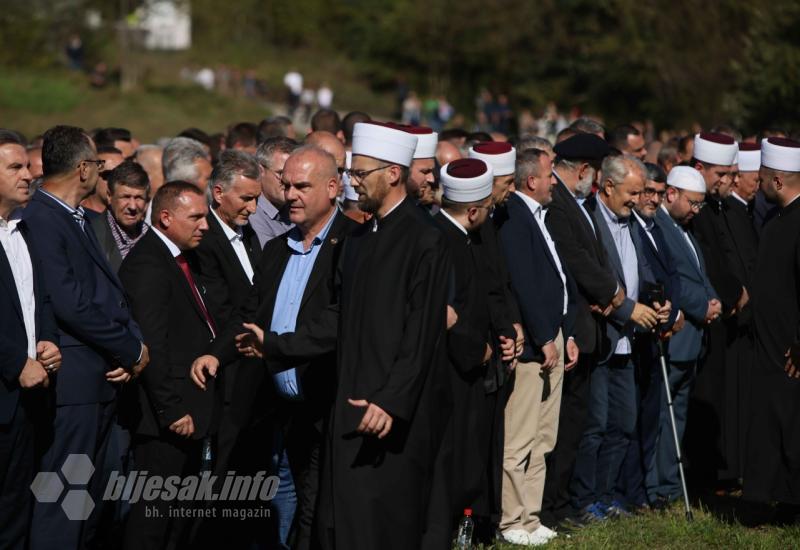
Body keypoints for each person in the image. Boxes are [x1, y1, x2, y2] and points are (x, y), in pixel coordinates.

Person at [212, 122, 452, 549]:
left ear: (393, 174)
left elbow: (421, 334)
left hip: (391, 409)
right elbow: (339, 318)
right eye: (352, 175)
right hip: (351, 401)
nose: (353, 184)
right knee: (340, 521)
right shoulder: (360, 238)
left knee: (388, 520)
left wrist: (391, 399)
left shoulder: (424, 240)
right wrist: (278, 345)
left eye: (361, 175)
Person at [194, 145, 359, 550]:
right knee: (292, 500)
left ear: (333, 187)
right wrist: (218, 352)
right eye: (286, 186)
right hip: (283, 407)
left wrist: (278, 346)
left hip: (332, 401)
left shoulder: (354, 246)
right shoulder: (276, 250)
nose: (291, 196)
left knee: (322, 509)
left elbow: (338, 321)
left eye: (302, 186)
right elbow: (248, 315)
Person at [23, 125, 148, 550]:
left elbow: (106, 293)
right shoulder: (42, 217)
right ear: (82, 169)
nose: (101, 171)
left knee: (88, 508)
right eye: (97, 164)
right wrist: (130, 347)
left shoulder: (76, 217)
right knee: (63, 504)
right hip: (73, 386)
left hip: (97, 383)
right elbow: (70, 302)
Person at [119, 182, 217, 549]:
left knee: (178, 514)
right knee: (154, 516)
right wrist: (171, 409)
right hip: (165, 418)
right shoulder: (149, 264)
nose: (204, 225)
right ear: (165, 217)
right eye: (195, 217)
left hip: (188, 408)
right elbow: (152, 345)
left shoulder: (182, 258)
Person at [540, 133, 623, 528]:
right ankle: (553, 506)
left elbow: (597, 254)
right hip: (571, 327)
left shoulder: (577, 203)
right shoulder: (556, 204)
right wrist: (610, 291)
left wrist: (611, 291)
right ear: (585, 171)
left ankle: (563, 503)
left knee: (576, 425)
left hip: (590, 326)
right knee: (563, 428)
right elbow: (572, 258)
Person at [574, 155, 664, 519]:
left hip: (628, 338)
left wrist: (658, 301)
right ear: (607, 187)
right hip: (601, 338)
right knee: (595, 425)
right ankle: (583, 500)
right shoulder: (589, 219)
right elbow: (590, 276)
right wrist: (625, 307)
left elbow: (641, 269)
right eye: (632, 192)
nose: (637, 199)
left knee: (624, 423)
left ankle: (607, 496)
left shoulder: (633, 224)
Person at [498, 148, 578, 546]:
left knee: (544, 436)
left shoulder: (538, 216)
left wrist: (568, 334)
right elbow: (525, 283)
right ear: (532, 180)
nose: (554, 182)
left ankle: (531, 516)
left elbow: (557, 279)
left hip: (554, 337)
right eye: (549, 175)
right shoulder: (514, 217)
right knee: (521, 437)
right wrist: (545, 337)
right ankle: (511, 519)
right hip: (534, 345)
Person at [432, 158, 508, 545]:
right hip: (451, 370)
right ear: (474, 210)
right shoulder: (440, 241)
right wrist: (474, 348)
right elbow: (441, 312)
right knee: (454, 456)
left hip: (471, 368)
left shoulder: (462, 237)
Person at [0, 129, 61, 550]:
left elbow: (41, 299)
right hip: (8, 385)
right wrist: (14, 362)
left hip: (30, 397)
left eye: (28, 166)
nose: (28, 175)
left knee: (17, 508)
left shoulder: (25, 229)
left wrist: (49, 341)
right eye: (15, 167)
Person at [649, 166, 720, 506]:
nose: (696, 211)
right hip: (674, 336)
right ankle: (658, 487)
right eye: (692, 203)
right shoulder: (659, 227)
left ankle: (670, 485)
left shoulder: (684, 229)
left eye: (700, 205)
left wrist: (712, 298)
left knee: (677, 413)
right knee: (663, 414)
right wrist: (701, 306)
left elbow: (697, 272)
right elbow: (674, 277)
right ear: (671, 194)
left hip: (692, 338)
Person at [191, 150, 263, 477]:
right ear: (219, 193)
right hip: (226, 372)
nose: (254, 208)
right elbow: (221, 310)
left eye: (257, 198)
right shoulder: (204, 240)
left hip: (254, 375)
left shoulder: (248, 236)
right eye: (246, 198)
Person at [616, 162, 682, 510]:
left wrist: (673, 308)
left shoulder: (656, 227)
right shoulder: (631, 227)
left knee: (651, 417)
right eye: (647, 192)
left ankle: (642, 490)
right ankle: (630, 493)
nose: (653, 199)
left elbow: (672, 274)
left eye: (658, 193)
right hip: (637, 330)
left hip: (659, 327)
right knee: (632, 419)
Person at [685, 132, 747, 489]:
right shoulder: (698, 211)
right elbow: (707, 261)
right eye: (719, 174)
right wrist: (734, 292)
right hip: (708, 314)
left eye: (729, 174)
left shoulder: (720, 206)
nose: (726, 181)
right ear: (699, 169)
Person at [744, 137, 800, 510]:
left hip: (790, 350)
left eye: (763, 177)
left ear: (778, 181)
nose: (758, 184)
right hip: (770, 346)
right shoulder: (778, 219)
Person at [90, 160, 150, 272]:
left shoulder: (153, 237)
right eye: (125, 197)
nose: (132, 206)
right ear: (109, 196)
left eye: (138, 198)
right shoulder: (91, 237)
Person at [251, 137, 298, 247]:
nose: (289, 181)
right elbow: (271, 260)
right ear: (260, 171)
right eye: (281, 173)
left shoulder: (294, 207)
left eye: (295, 174)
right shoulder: (252, 215)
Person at [80, 145, 124, 214]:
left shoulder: (132, 219)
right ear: (92, 175)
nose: (118, 181)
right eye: (110, 175)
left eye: (124, 175)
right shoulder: (78, 216)